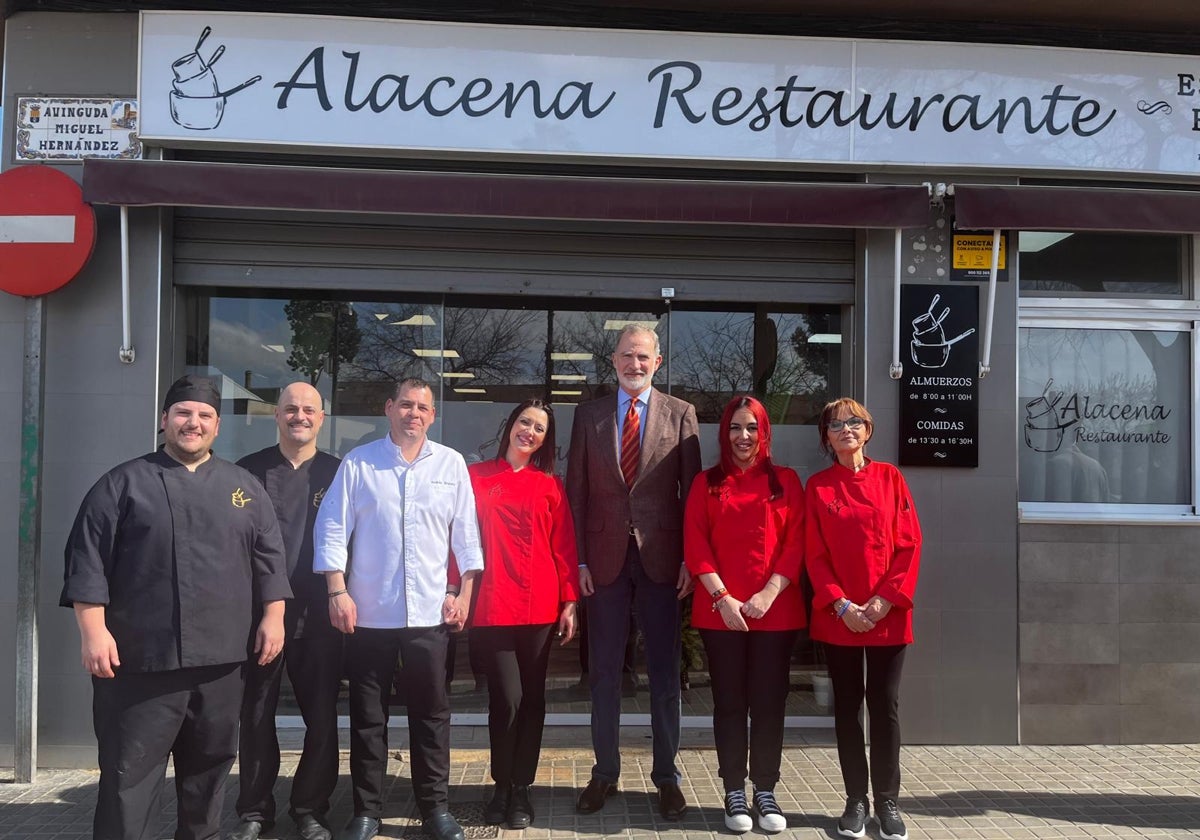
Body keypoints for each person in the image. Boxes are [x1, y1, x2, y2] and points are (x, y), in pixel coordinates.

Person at [60, 374, 290, 840]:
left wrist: (273, 617)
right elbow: (87, 560)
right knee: (130, 779)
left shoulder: (242, 487)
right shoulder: (121, 484)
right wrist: (93, 631)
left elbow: (270, 559)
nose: (194, 423)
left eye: (205, 415)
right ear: (165, 420)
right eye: (184, 413)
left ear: (217, 427)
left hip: (222, 663)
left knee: (207, 778)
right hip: (140, 662)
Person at [314, 378, 484, 840]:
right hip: (368, 613)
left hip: (431, 614)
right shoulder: (359, 463)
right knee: (369, 719)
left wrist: (465, 594)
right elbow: (332, 528)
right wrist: (336, 590)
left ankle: (435, 808)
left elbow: (466, 536)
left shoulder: (450, 465)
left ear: (433, 415)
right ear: (388, 409)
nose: (413, 413)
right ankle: (366, 810)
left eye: (422, 407)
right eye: (405, 405)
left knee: (431, 716)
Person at [566, 324, 701, 820]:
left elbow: (693, 497)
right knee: (603, 673)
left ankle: (667, 777)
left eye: (643, 356)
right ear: (613, 360)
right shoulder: (588, 415)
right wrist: (578, 560)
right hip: (602, 564)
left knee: (665, 673)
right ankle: (605, 773)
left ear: (657, 362)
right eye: (626, 355)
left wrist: (691, 558)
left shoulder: (681, 414)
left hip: (663, 561)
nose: (634, 364)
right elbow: (576, 495)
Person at [683, 395, 805, 834]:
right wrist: (723, 598)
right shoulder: (706, 483)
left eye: (752, 427)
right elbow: (695, 543)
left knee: (769, 704)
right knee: (730, 704)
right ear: (724, 433)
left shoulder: (786, 481)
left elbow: (796, 543)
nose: (743, 436)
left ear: (764, 432)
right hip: (722, 613)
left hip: (776, 611)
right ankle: (734, 787)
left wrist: (770, 592)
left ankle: (766, 788)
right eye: (735, 428)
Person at [231, 382, 344, 840]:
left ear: (322, 418)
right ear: (276, 415)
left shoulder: (341, 472)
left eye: (309, 410)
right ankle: (254, 810)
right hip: (259, 617)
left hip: (320, 616)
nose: (300, 416)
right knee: (256, 715)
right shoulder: (245, 473)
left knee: (321, 715)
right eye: (291, 409)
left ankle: (310, 808)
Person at [805, 398, 921, 840]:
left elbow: (910, 544)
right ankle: (856, 799)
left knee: (885, 706)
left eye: (854, 422)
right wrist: (840, 604)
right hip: (841, 618)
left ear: (868, 430)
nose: (846, 429)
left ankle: (888, 801)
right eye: (836, 424)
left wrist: (885, 600)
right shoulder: (818, 487)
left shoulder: (891, 478)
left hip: (887, 615)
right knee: (848, 710)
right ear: (826, 437)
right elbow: (814, 555)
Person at [465, 399, 580, 829]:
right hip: (491, 604)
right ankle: (500, 784)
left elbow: (564, 545)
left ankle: (521, 789)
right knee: (506, 698)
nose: (529, 432)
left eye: (539, 429)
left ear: (545, 441)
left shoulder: (549, 485)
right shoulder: (475, 478)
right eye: (524, 423)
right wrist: (456, 589)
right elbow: (459, 536)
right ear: (510, 425)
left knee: (532, 699)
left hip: (539, 607)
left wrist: (570, 601)